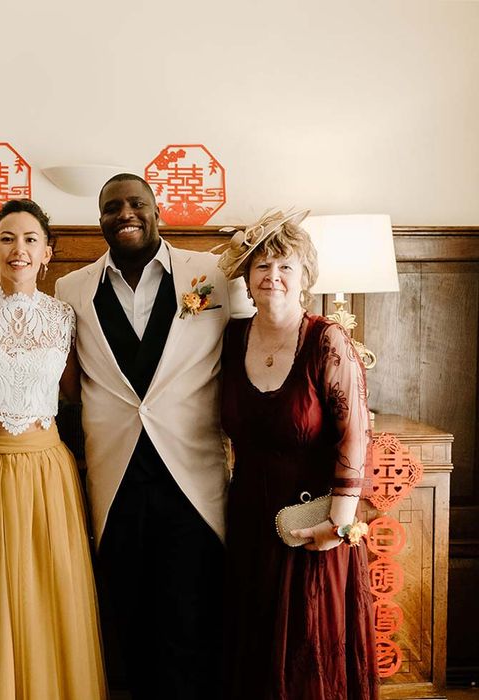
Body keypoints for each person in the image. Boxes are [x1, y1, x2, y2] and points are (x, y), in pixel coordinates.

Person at [55, 173, 253, 700]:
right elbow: (70, 381)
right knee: (130, 615)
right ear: (99, 219)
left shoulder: (212, 272)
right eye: (112, 206)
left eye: (136, 203)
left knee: (192, 614)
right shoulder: (70, 289)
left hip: (191, 473)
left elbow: (253, 343)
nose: (125, 213)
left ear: (157, 211)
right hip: (114, 474)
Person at [0, 199, 107, 700]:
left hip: (46, 470)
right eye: (7, 239)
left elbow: (82, 393)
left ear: (47, 253)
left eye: (30, 239)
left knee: (47, 591)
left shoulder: (65, 316)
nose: (19, 249)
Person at [218, 208, 379, 699]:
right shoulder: (231, 338)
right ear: (247, 277)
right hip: (248, 516)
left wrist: (340, 525)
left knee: (310, 646)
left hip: (314, 523)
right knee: (253, 644)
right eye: (263, 265)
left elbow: (356, 435)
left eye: (286, 266)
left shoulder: (327, 340)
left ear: (305, 276)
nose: (273, 277)